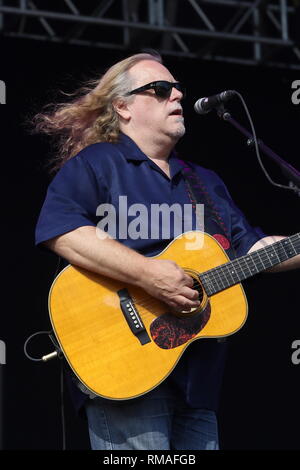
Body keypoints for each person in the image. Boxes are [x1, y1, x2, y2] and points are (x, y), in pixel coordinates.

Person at [34, 52, 300, 450]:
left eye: (178, 88)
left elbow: (254, 249)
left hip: (198, 380)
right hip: (126, 365)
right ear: (122, 107)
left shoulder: (205, 182)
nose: (177, 95)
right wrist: (150, 275)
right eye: (160, 90)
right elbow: (63, 231)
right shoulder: (98, 163)